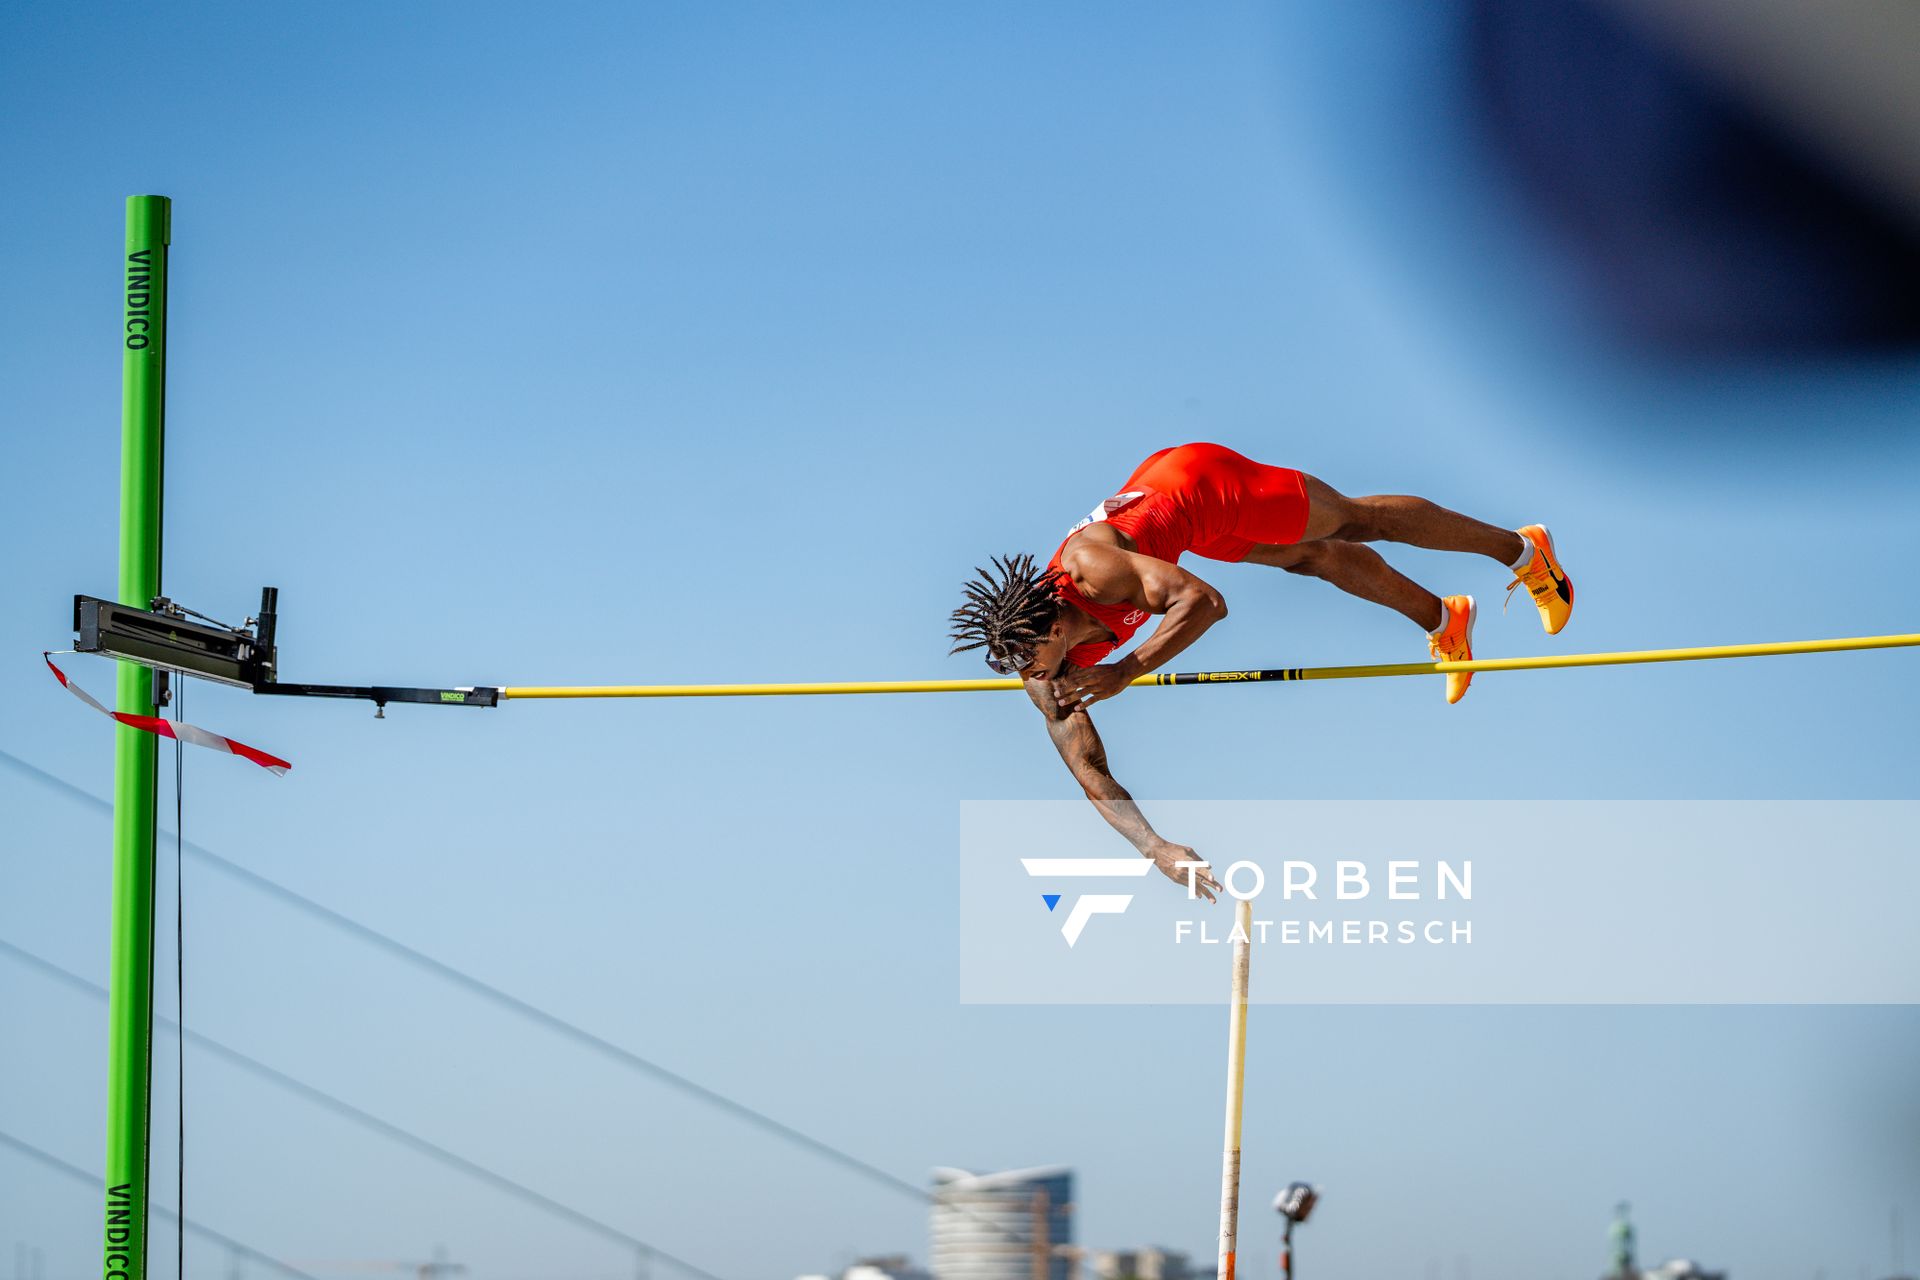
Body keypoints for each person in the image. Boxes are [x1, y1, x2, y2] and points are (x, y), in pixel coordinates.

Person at [948, 442, 1572, 898]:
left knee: (1356, 519)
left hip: (1195, 484)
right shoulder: (1043, 674)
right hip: (1183, 530)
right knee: (1315, 559)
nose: (1024, 676)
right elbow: (1088, 766)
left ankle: (1522, 550)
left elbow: (1206, 603)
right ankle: (1444, 620)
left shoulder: (1094, 571)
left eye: (1025, 661)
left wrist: (1126, 671)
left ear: (1056, 629)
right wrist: (1155, 846)